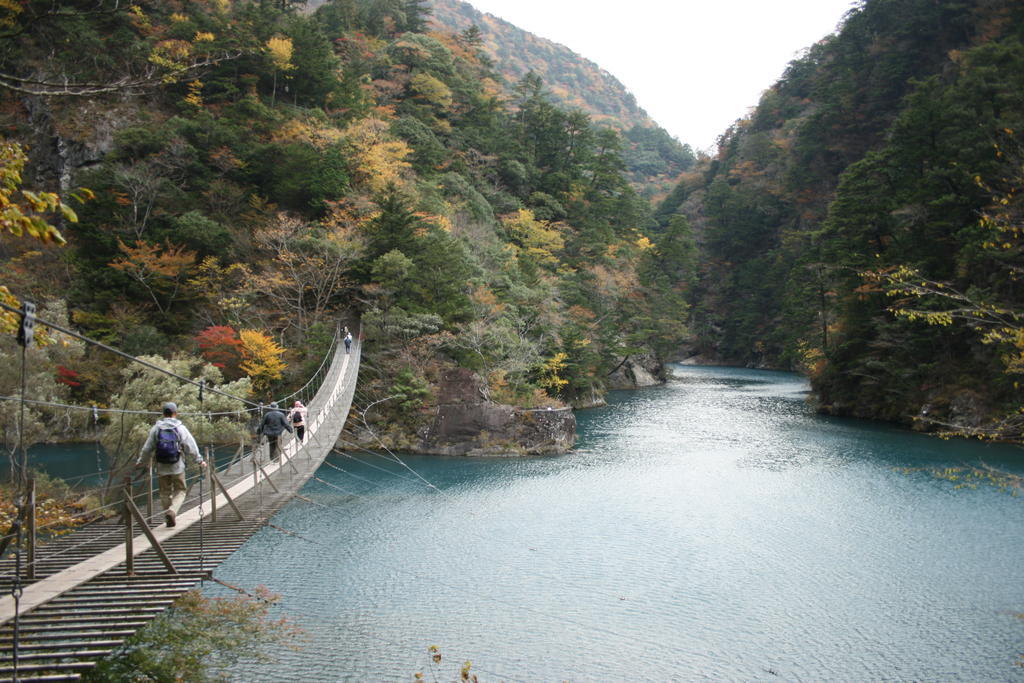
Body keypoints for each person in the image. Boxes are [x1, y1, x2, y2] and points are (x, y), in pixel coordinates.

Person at [136, 402, 206, 527]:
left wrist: (141, 462)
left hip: (162, 467)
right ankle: (172, 511)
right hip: (177, 466)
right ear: (175, 413)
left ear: (163, 414)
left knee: (164, 493)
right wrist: (199, 460)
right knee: (180, 491)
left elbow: (147, 448)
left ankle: (168, 514)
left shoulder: (156, 429)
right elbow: (191, 446)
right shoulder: (180, 428)